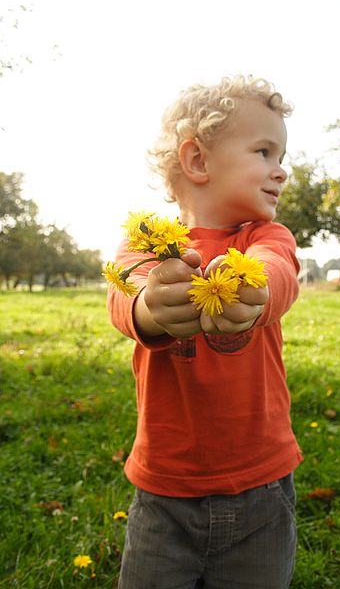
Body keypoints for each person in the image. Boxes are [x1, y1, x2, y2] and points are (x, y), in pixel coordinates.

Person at [107, 74, 303, 589]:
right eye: (264, 151)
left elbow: (277, 270)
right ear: (197, 161)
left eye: (281, 156)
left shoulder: (267, 236)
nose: (281, 171)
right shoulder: (149, 243)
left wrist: (252, 293)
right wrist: (153, 305)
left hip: (262, 488)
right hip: (163, 494)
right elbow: (125, 290)